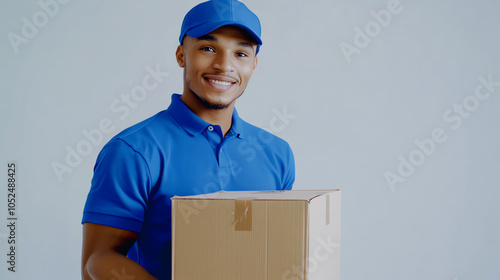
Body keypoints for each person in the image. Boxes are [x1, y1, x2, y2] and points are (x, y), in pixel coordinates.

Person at [80, 0, 295, 279]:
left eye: (240, 53)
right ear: (182, 55)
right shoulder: (134, 151)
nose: (224, 65)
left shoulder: (276, 153)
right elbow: (98, 259)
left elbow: (279, 248)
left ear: (254, 64)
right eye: (208, 48)